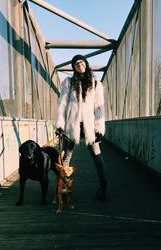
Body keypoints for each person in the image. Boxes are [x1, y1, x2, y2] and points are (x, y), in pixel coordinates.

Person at [54, 54, 107, 200]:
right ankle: (62, 189)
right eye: (76, 63)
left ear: (86, 64)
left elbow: (99, 108)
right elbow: (62, 104)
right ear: (73, 67)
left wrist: (99, 128)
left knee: (97, 156)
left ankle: (103, 187)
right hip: (72, 125)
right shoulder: (68, 82)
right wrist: (60, 125)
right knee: (66, 157)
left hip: (90, 126)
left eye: (82, 62)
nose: (80, 64)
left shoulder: (96, 84)